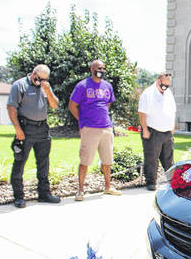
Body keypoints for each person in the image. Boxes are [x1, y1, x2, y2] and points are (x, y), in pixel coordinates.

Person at [7, 64, 61, 208]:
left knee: (44, 163)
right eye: (38, 79)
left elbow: (55, 105)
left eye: (44, 79)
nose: (40, 82)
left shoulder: (45, 87)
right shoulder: (19, 85)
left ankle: (44, 194)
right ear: (32, 74)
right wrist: (18, 129)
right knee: (20, 162)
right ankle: (18, 196)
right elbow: (11, 107)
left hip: (42, 128)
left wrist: (48, 90)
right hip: (25, 128)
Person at [69, 60, 122, 200]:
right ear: (92, 69)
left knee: (107, 160)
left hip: (106, 128)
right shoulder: (82, 86)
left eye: (104, 68)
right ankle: (80, 190)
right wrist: (82, 121)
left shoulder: (107, 86)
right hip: (89, 129)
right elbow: (72, 105)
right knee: (85, 160)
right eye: (99, 68)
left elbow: (108, 103)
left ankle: (108, 187)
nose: (102, 70)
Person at [138, 72, 176, 190]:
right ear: (159, 81)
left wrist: (172, 127)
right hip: (152, 131)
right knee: (151, 158)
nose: (166, 87)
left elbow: (172, 111)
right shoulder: (148, 93)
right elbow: (142, 112)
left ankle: (171, 180)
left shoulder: (168, 93)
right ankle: (151, 181)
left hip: (167, 132)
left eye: (168, 85)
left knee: (168, 159)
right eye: (164, 85)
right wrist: (145, 129)